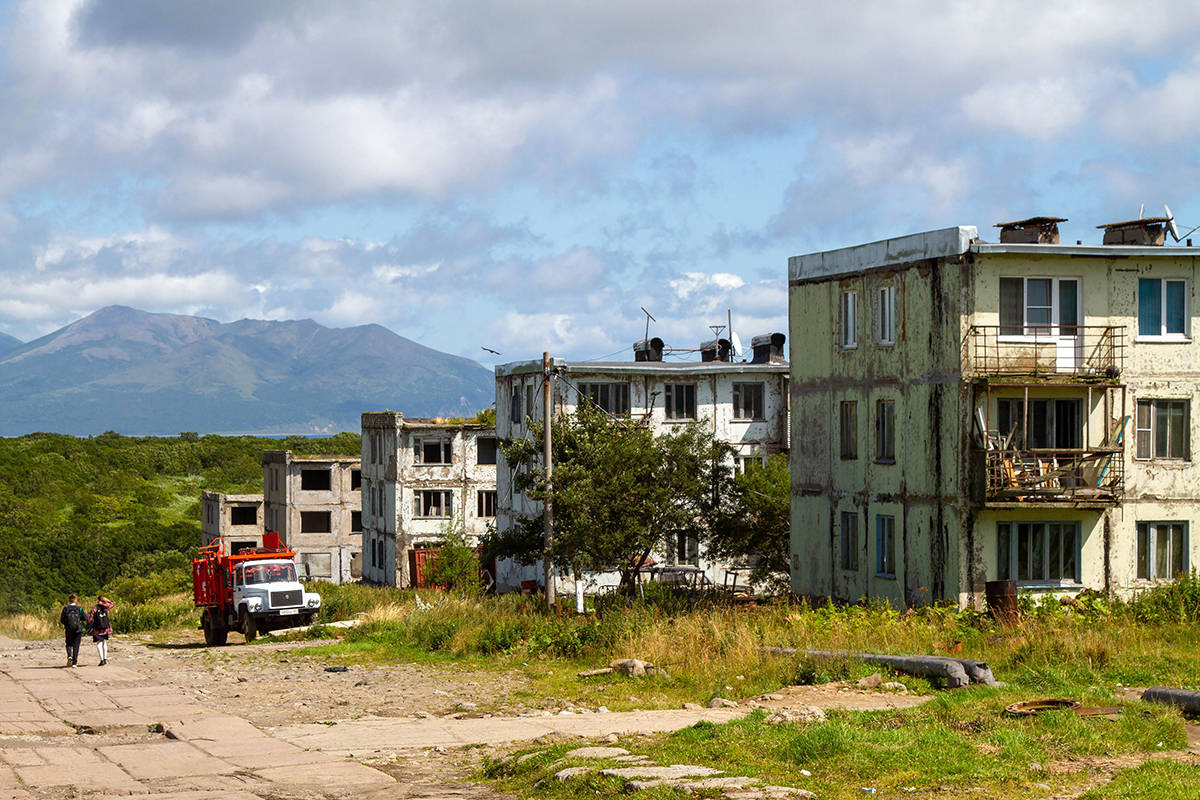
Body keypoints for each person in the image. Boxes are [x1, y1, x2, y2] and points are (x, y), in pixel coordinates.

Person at [59, 594, 87, 667]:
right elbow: (85, 618)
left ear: (69, 600)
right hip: (78, 629)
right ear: (75, 600)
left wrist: (67, 624)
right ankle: (74, 663)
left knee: (68, 643)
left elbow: (62, 620)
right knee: (76, 646)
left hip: (68, 629)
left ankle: (69, 656)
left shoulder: (65, 609)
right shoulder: (79, 609)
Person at [87, 595, 115, 666]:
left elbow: (89, 618)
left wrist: (88, 625)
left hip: (97, 628)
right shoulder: (106, 607)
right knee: (104, 642)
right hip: (106, 628)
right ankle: (105, 659)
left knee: (99, 643)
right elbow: (113, 604)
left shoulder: (95, 608)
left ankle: (101, 660)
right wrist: (107, 600)